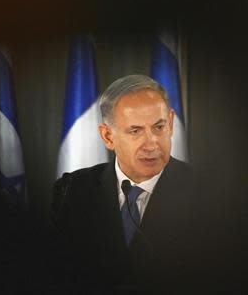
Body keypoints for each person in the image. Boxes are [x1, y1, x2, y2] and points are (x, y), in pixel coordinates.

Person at [51, 75, 208, 293]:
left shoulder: (208, 192)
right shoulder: (73, 190)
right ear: (107, 136)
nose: (151, 143)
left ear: (171, 124)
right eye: (136, 131)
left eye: (159, 127)